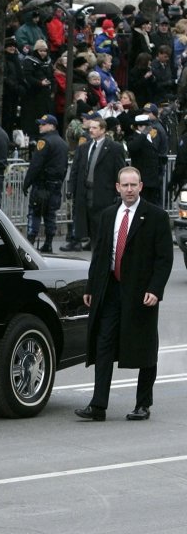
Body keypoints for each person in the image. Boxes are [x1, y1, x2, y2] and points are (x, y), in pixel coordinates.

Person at [76, 167, 173, 422]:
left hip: (141, 293)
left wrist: (155, 289)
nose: (129, 190)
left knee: (144, 346)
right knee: (103, 344)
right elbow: (99, 255)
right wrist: (91, 287)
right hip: (110, 289)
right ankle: (98, 406)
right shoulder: (109, 215)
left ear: (141, 186)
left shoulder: (156, 216)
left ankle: (143, 403)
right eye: (125, 185)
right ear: (117, 187)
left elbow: (164, 259)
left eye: (133, 185)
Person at [62, 117, 126, 251]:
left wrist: (119, 192)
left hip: (103, 194)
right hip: (84, 193)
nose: (91, 130)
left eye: (95, 128)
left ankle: (102, 252)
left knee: (101, 226)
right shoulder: (84, 147)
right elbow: (75, 169)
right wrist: (71, 188)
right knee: (85, 223)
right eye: (90, 127)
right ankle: (87, 244)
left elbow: (119, 172)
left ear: (103, 130)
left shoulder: (114, 148)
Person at [23, 115, 68, 253]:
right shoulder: (62, 142)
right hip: (55, 185)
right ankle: (48, 244)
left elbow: (36, 165)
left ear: (52, 126)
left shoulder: (44, 142)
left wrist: (27, 182)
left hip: (42, 185)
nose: (40, 126)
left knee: (35, 214)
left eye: (43, 124)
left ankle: (30, 244)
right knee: (50, 215)